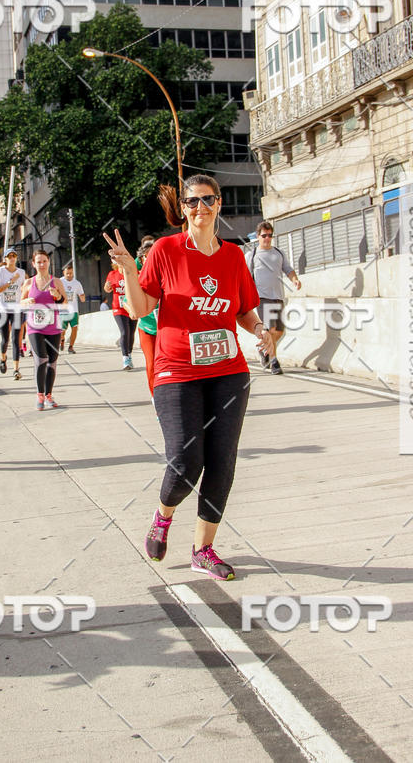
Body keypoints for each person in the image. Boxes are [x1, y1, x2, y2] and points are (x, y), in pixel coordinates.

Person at [104, 174, 274, 581]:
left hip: (228, 371)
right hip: (175, 370)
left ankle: (204, 549)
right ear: (183, 208)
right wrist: (130, 268)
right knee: (184, 461)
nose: (200, 208)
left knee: (222, 463)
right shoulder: (165, 250)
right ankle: (163, 517)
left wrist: (260, 331)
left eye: (208, 200)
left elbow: (244, 310)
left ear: (219, 205)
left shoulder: (233, 256)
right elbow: (141, 306)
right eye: (192, 202)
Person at [245, 220, 301, 375]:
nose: (267, 238)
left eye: (270, 235)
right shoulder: (252, 255)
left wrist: (295, 279)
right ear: (258, 236)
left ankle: (265, 351)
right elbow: (246, 277)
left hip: (279, 297)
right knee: (270, 330)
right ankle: (274, 361)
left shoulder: (279, 253)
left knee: (280, 331)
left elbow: (288, 269)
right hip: (262, 297)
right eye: (264, 235)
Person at [21, 250, 67, 410]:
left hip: (53, 327)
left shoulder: (57, 282)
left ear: (48, 262)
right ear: (33, 264)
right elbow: (21, 303)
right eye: (38, 262)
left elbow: (65, 303)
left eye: (44, 261)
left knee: (52, 362)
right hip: (35, 327)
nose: (41, 264)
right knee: (41, 359)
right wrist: (26, 300)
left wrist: (58, 296)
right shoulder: (28, 283)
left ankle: (49, 395)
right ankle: (40, 395)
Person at [0, 247, 26, 379]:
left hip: (17, 308)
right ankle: (3, 358)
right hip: (3, 308)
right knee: (5, 338)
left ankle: (16, 369)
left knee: (16, 339)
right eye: (9, 256)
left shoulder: (22, 272)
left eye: (14, 256)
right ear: (5, 259)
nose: (12, 258)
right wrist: (11, 281)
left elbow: (24, 289)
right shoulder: (0, 272)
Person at [104, 260, 136, 371]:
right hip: (119, 308)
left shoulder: (131, 273)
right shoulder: (112, 274)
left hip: (132, 307)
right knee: (124, 331)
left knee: (131, 333)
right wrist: (107, 287)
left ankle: (129, 354)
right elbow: (107, 288)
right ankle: (125, 357)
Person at [135, 238, 158, 397]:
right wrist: (132, 309)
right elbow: (128, 301)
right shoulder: (137, 279)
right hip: (148, 330)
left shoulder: (169, 276)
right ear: (142, 260)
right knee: (151, 365)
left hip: (168, 330)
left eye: (154, 256)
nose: (151, 259)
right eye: (147, 256)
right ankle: (155, 398)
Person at [59, 263, 85, 353]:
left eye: (71, 273)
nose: (69, 275)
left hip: (74, 310)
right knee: (62, 331)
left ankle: (71, 347)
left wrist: (82, 297)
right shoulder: (60, 282)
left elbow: (81, 294)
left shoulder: (77, 283)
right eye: (67, 273)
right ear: (64, 273)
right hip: (63, 311)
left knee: (75, 328)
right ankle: (61, 340)